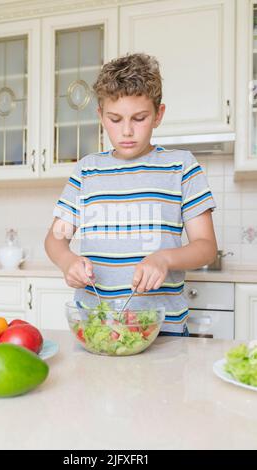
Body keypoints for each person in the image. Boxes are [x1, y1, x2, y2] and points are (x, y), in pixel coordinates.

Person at [44, 53, 217, 336]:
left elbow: (206, 247)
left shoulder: (181, 167)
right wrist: (67, 262)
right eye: (115, 119)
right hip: (97, 329)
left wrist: (165, 259)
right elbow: (55, 238)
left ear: (158, 115)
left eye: (139, 118)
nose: (126, 131)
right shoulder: (87, 171)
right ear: (100, 115)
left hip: (163, 332)